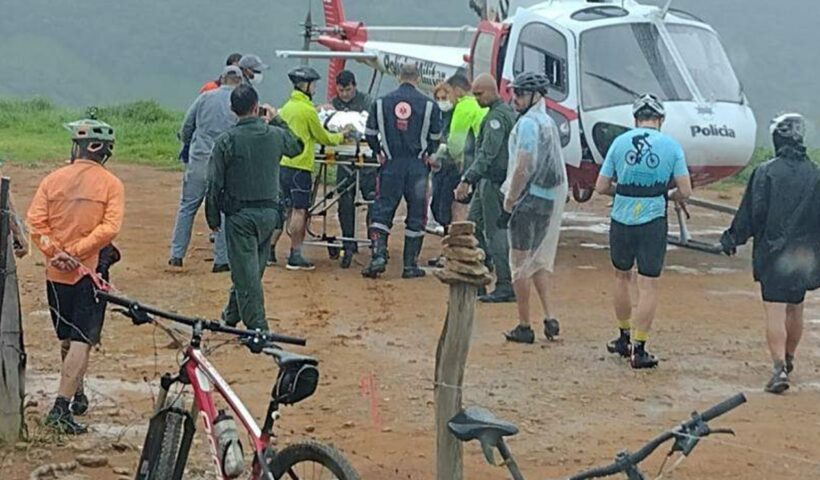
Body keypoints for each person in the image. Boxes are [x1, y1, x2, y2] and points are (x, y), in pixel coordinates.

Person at [27, 118, 125, 434]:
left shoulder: (52, 180)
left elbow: (35, 224)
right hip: (90, 272)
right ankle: (60, 406)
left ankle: (75, 390)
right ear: (105, 151)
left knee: (66, 335)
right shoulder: (112, 184)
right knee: (83, 338)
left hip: (55, 272)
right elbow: (110, 228)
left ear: (78, 148)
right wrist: (78, 252)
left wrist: (56, 253)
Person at [720, 113, 820, 394]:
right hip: (805, 255)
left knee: (775, 312)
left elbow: (752, 214)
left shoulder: (765, 172)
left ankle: (778, 369)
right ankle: (789, 359)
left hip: (773, 253)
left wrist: (732, 238)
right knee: (795, 308)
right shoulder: (815, 174)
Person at [595, 94, 691, 368]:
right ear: (660, 120)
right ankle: (640, 348)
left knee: (621, 276)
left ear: (636, 119)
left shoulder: (619, 143)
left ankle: (623, 337)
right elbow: (685, 190)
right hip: (652, 220)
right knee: (648, 283)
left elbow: (601, 187)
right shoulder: (672, 147)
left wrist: (623, 191)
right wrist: (666, 195)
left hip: (621, 218)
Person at [206, 85, 304, 331]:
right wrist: (278, 119)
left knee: (246, 273)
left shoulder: (226, 141)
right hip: (270, 216)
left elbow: (214, 183)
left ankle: (257, 327)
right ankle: (230, 315)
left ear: (232, 110)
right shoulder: (274, 134)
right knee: (250, 270)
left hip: (240, 217)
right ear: (256, 107)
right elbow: (297, 146)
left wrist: (212, 216)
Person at [501, 72, 568, 344]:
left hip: (527, 200)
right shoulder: (548, 122)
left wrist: (510, 199)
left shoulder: (528, 124)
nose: (514, 98)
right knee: (537, 258)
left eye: (519, 94)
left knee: (519, 263)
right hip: (548, 200)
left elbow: (523, 163)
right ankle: (550, 317)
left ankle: (524, 324)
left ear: (535, 96)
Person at [362, 64, 442, 279]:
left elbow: (369, 133)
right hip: (417, 168)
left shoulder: (380, 103)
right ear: (417, 78)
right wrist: (427, 153)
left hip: (391, 164)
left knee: (382, 209)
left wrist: (379, 151)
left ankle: (378, 255)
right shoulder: (430, 106)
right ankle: (410, 265)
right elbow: (436, 138)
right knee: (417, 214)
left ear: (399, 77)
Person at [169, 66, 244, 272]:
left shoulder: (205, 97)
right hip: (226, 164)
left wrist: (188, 143)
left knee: (187, 207)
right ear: (239, 82)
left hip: (200, 159)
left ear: (222, 79)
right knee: (222, 209)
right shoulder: (239, 103)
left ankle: (176, 254)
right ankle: (221, 260)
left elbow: (187, 126)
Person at [278, 66, 352, 271]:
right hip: (300, 166)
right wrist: (341, 135)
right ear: (306, 86)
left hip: (284, 164)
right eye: (314, 85)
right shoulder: (307, 110)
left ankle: (271, 252)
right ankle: (295, 255)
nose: (316, 88)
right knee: (301, 210)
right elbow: (323, 137)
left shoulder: (287, 107)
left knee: (286, 209)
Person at [455, 73, 517, 303]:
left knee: (494, 233)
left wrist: (468, 178)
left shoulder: (497, 118)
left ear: (492, 91)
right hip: (488, 182)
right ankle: (479, 277)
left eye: (480, 94)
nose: (477, 98)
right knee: (475, 227)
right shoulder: (501, 114)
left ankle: (505, 283)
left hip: (493, 182)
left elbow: (488, 153)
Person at [331, 70, 377, 268]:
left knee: (372, 198)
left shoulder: (366, 101)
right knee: (345, 200)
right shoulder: (333, 104)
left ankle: (374, 239)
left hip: (366, 159)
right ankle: (349, 240)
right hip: (344, 159)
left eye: (348, 90)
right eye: (341, 90)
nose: (344, 94)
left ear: (354, 86)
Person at [446, 73, 487, 223]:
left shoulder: (463, 107)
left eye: (449, 92)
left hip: (473, 159)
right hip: (489, 160)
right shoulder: (481, 104)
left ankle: (461, 236)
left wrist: (449, 154)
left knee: (460, 200)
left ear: (457, 90)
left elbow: (456, 143)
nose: (448, 98)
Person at [427, 82, 456, 267]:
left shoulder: (456, 114)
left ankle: (450, 253)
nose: (441, 102)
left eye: (444, 98)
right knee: (438, 207)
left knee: (447, 209)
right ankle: (447, 251)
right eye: (438, 98)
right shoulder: (437, 115)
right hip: (439, 168)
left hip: (453, 167)